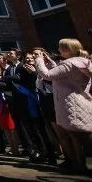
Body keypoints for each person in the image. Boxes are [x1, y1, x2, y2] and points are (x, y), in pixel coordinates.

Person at [34, 39, 91, 174]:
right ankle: (81, 164)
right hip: (81, 101)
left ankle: (79, 165)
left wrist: (40, 61)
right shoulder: (81, 62)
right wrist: (52, 63)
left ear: (67, 50)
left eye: (60, 48)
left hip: (70, 104)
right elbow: (62, 73)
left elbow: (47, 75)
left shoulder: (69, 64)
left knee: (74, 136)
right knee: (81, 137)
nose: (58, 51)